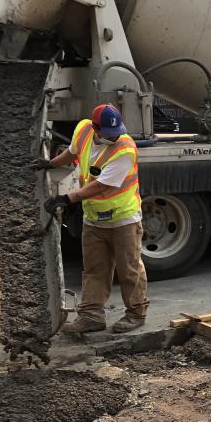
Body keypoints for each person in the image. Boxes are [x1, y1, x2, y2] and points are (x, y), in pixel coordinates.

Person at [37, 104, 148, 334]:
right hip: (94, 217)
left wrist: (67, 198)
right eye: (108, 133)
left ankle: (136, 313)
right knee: (94, 269)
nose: (113, 136)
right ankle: (91, 316)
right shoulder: (84, 129)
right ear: (96, 128)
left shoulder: (125, 149)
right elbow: (73, 151)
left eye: (116, 132)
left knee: (129, 269)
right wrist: (51, 163)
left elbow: (101, 185)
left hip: (123, 219)